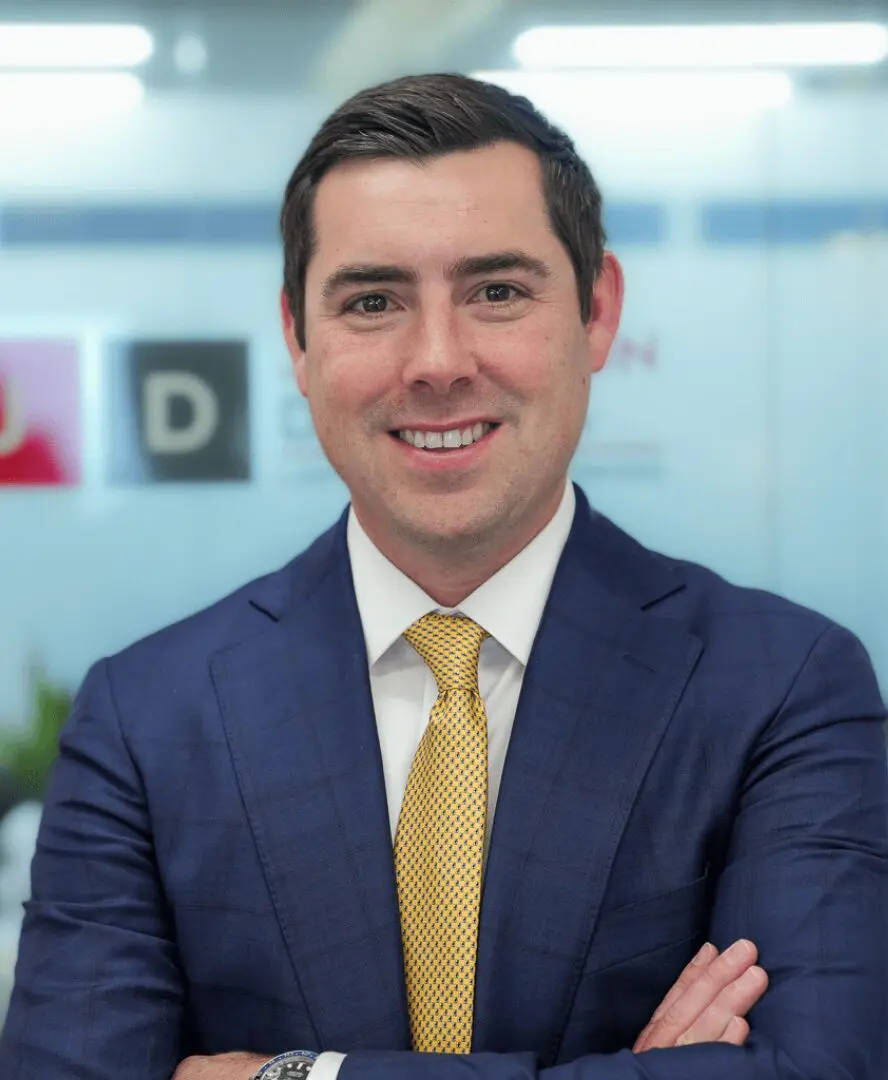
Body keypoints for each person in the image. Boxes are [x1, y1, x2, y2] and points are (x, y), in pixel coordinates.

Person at [1, 73, 887, 1080]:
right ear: (297, 337)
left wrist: (289, 1076)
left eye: (496, 292)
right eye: (372, 300)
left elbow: (815, 1071)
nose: (436, 361)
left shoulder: (782, 686)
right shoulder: (146, 720)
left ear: (597, 313)